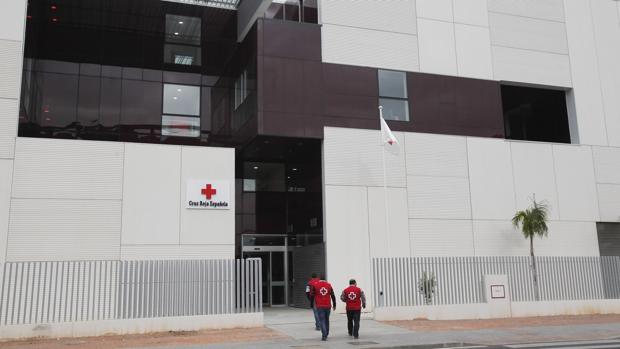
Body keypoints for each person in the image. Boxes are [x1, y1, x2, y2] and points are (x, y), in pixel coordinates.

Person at [310, 274, 336, 341]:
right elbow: (333, 295)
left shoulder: (315, 285)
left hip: (320, 306)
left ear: (319, 279)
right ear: (325, 278)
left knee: (322, 320)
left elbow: (312, 296)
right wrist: (334, 304)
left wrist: (311, 304)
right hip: (328, 306)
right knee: (327, 319)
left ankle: (324, 335)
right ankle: (326, 333)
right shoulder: (329, 285)